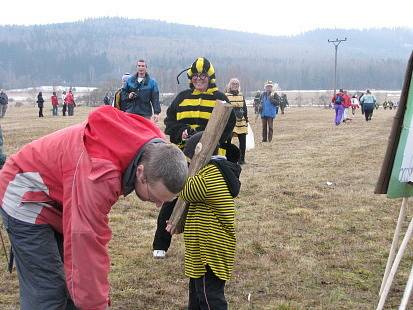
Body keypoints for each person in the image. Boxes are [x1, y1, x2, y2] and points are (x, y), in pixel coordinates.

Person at [0, 106, 188, 309]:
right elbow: (85, 241)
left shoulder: (154, 149)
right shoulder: (99, 174)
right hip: (25, 194)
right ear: (140, 173)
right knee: (48, 292)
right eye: (155, 197)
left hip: (60, 196)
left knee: (72, 286)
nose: (159, 204)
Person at [152, 57, 235, 259]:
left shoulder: (221, 98)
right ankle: (160, 244)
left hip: (212, 160)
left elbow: (229, 125)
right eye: (196, 76)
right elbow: (170, 123)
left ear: (210, 77)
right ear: (191, 78)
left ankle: (208, 245)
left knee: (207, 203)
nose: (199, 79)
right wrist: (182, 132)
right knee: (171, 199)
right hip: (182, 158)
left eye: (203, 76)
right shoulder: (181, 98)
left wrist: (212, 140)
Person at [168, 132, 241, 310]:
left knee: (210, 297)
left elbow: (186, 188)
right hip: (202, 249)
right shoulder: (210, 171)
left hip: (211, 251)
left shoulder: (212, 173)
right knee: (197, 296)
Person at [225, 78, 248, 164]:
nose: (235, 85)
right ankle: (228, 159)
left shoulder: (241, 96)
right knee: (228, 141)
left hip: (241, 121)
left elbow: (244, 108)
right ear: (230, 85)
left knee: (243, 142)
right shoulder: (226, 95)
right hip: (230, 122)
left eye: (237, 84)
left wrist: (246, 119)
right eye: (233, 84)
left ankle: (242, 159)